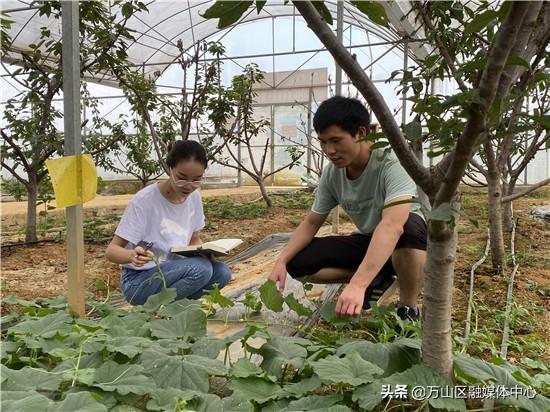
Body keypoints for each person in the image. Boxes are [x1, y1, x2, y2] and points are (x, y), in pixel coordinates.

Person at [269, 96, 427, 320]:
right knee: (298, 262)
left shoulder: (392, 162)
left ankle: (407, 307)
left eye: (336, 140)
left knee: (409, 225)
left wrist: (357, 285)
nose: (329, 150)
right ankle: (377, 277)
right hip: (370, 241)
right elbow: (312, 222)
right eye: (323, 142)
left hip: (406, 243)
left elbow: (392, 226)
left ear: (360, 134)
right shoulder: (332, 173)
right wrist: (281, 261)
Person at [106, 140, 232, 305]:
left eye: (196, 180)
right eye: (182, 178)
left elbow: (194, 239)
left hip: (176, 272)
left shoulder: (194, 197)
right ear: (169, 168)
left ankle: (175, 311)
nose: (188, 186)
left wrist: (205, 253)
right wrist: (132, 255)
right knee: (201, 269)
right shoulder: (145, 201)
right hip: (140, 281)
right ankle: (160, 310)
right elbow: (111, 251)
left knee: (221, 273)